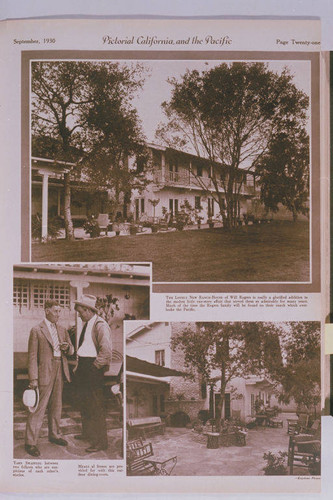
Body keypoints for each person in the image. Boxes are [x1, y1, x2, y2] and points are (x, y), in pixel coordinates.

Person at [25, 300, 74, 457]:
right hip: (44, 371)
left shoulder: (62, 329)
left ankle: (55, 435)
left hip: (60, 368)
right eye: (55, 311)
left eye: (60, 311)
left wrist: (68, 348)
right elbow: (32, 357)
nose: (58, 314)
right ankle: (30, 443)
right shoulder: (36, 330)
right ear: (46, 311)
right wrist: (33, 379)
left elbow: (72, 350)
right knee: (38, 408)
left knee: (56, 405)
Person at [74, 294, 112, 453]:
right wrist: (79, 366)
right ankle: (88, 434)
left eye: (80, 311)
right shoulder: (87, 323)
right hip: (84, 366)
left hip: (93, 368)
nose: (78, 314)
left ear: (88, 310)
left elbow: (106, 351)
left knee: (96, 405)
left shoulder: (100, 325)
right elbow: (85, 347)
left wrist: (94, 367)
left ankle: (100, 442)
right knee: (84, 402)